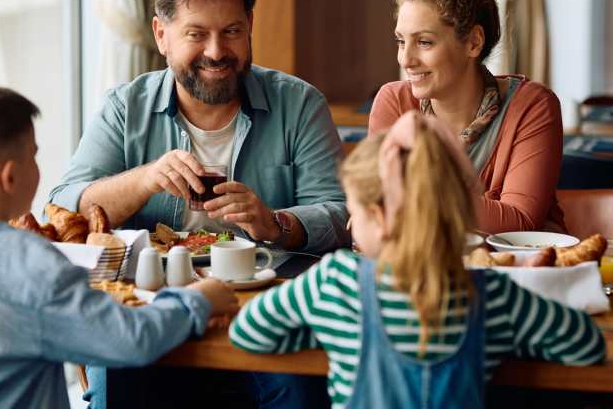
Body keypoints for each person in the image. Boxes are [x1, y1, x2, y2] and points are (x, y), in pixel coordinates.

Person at [230, 111, 605, 408]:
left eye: (354, 211)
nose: (348, 222)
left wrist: (322, 328)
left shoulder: (334, 283)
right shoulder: (495, 296)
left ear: (378, 217)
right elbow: (586, 344)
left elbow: (247, 332)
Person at [0, 85, 238, 409]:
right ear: (10, 177)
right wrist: (200, 299)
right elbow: (130, 340)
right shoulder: (30, 264)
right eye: (34, 156)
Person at [49, 0, 348, 253]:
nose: (216, 52)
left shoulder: (299, 105)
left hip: (271, 290)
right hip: (154, 291)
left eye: (231, 31)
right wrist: (145, 180)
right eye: (196, 34)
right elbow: (63, 211)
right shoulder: (125, 108)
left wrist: (274, 223)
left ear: (250, 27)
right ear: (161, 35)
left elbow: (341, 217)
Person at [368, 0, 565, 233]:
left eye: (424, 42)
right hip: (422, 275)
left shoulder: (532, 106)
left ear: (473, 42)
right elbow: (377, 208)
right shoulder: (393, 102)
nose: (405, 60)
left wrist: (409, 192)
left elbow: (519, 223)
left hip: (515, 274)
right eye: (400, 41)